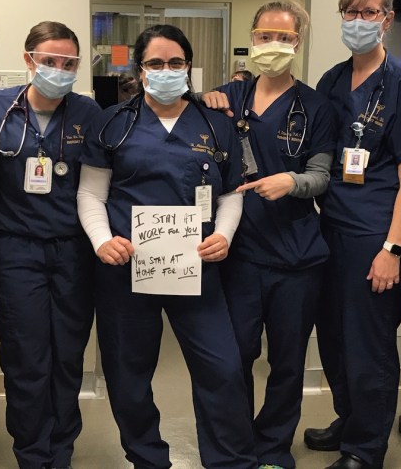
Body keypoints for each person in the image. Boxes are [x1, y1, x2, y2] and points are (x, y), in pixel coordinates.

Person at [77, 24, 258, 469]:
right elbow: (90, 194)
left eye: (175, 63)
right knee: (128, 374)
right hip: (127, 269)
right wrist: (102, 241)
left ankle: (229, 461)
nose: (166, 71)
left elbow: (231, 192)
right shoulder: (113, 122)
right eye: (155, 63)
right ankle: (147, 459)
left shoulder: (216, 124)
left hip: (197, 267)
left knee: (223, 367)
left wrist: (224, 235)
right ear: (140, 70)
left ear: (189, 67)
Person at [202, 0, 336, 469]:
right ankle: (238, 446)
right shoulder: (225, 99)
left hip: (296, 256)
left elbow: (321, 175)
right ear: (252, 37)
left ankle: (274, 447)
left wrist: (292, 182)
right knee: (235, 355)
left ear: (297, 42)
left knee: (287, 362)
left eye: (283, 38)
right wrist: (206, 101)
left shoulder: (316, 106)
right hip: (239, 254)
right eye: (264, 36)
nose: (272, 46)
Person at [305, 0, 401, 469]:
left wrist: (393, 249)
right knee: (334, 336)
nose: (358, 22)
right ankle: (348, 419)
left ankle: (366, 448)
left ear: (388, 18)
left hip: (377, 233)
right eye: (350, 13)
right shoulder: (333, 80)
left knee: (369, 345)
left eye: (369, 13)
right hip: (332, 228)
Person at [0, 21, 101, 469]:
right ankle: (33, 455)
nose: (58, 69)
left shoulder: (88, 113)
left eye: (68, 63)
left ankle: (61, 451)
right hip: (16, 250)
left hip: (73, 251)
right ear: (28, 60)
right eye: (49, 60)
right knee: (26, 357)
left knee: (69, 357)